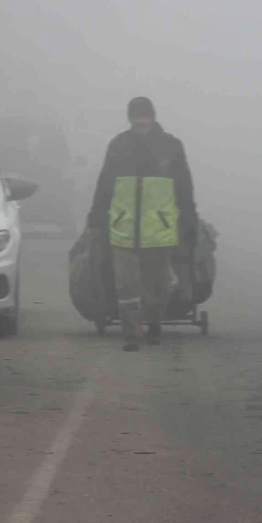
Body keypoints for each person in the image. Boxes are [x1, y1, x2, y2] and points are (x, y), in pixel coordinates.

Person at [87, 97, 198, 351]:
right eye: (136, 117)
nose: (140, 122)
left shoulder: (170, 146)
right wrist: (96, 218)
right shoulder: (118, 145)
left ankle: (154, 323)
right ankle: (132, 333)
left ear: (153, 117)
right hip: (123, 227)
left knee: (158, 284)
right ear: (129, 118)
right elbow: (105, 185)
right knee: (126, 284)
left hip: (157, 230)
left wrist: (190, 220)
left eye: (144, 116)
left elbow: (184, 187)